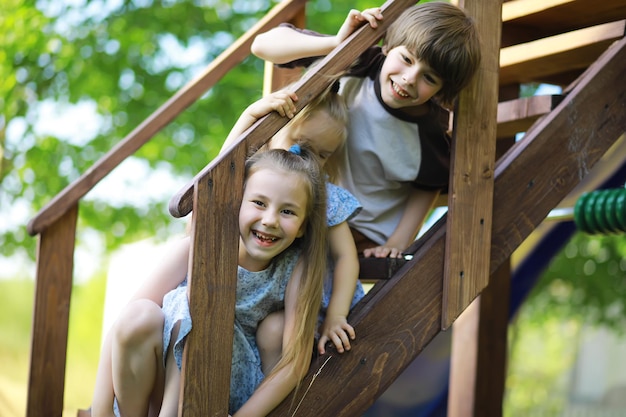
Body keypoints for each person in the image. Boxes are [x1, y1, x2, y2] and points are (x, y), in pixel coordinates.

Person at [91, 146, 328, 417]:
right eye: (259, 203)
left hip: (224, 387)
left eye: (288, 212)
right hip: (160, 378)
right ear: (237, 202)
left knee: (198, 312)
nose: (270, 220)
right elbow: (121, 326)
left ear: (303, 227)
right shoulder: (196, 249)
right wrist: (101, 410)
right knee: (143, 314)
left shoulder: (296, 267)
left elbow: (294, 363)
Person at [251, 1, 482, 258]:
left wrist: (398, 241)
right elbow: (262, 45)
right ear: (388, 46)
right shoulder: (358, 60)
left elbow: (429, 185)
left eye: (429, 78)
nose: (409, 78)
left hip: (359, 230)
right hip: (305, 206)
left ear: (441, 91)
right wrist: (336, 43)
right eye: (406, 59)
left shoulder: (428, 133)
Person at [221, 83, 364, 370]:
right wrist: (249, 118)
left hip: (312, 304)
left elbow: (346, 257)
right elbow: (219, 173)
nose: (309, 160)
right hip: (272, 298)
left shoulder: (325, 197)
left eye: (322, 155)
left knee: (275, 332)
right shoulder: (256, 177)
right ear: (272, 131)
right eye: (302, 146)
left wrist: (336, 315)